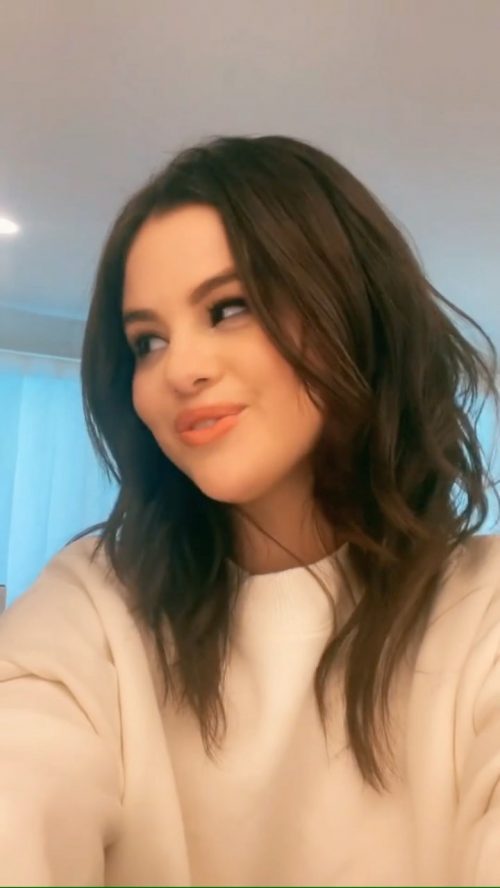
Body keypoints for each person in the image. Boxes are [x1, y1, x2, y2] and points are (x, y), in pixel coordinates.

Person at [0, 134, 499, 887]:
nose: (179, 369)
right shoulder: (96, 603)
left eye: (228, 308)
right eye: (147, 341)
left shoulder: (481, 611)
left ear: (351, 308)